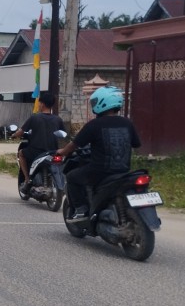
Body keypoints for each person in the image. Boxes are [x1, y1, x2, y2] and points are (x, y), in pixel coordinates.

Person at [56, 86, 141, 220]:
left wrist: (62, 152)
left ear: (103, 103)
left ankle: (81, 210)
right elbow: (136, 144)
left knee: (72, 177)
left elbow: (74, 145)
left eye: (95, 102)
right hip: (124, 170)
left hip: (100, 171)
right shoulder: (127, 123)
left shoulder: (94, 125)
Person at [12, 93, 65, 190]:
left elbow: (21, 131)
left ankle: (27, 180)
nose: (39, 105)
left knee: (21, 153)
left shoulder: (34, 117)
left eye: (39, 103)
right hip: (53, 151)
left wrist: (14, 135)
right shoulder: (58, 119)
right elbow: (63, 134)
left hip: (37, 151)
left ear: (42, 104)